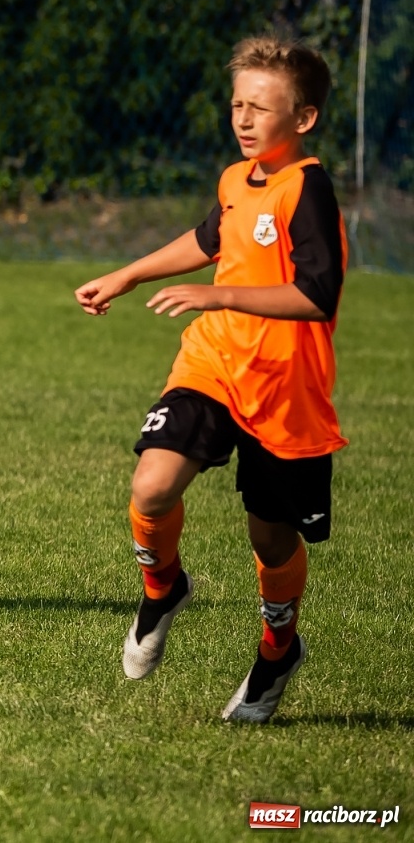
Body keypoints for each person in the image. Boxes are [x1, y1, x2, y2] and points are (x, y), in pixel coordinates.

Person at [74, 36, 346, 723]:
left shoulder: (306, 186)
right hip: (215, 361)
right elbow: (212, 238)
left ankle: (277, 649)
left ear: (304, 119)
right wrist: (129, 273)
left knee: (271, 540)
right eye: (237, 105)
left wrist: (219, 295)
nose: (244, 119)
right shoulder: (236, 178)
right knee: (152, 483)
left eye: (261, 108)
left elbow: (317, 293)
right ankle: (162, 588)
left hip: (286, 389)